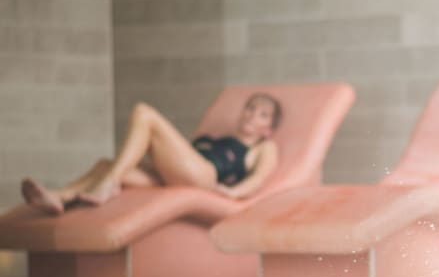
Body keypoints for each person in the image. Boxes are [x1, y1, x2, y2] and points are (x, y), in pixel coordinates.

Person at [20, 92, 282, 215]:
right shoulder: (219, 139)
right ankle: (58, 198)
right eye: (250, 108)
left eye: (263, 114)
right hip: (171, 177)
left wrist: (233, 194)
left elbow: (259, 178)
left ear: (268, 129)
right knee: (104, 165)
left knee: (144, 113)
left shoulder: (262, 147)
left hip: (204, 177)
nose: (252, 115)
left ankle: (109, 183)